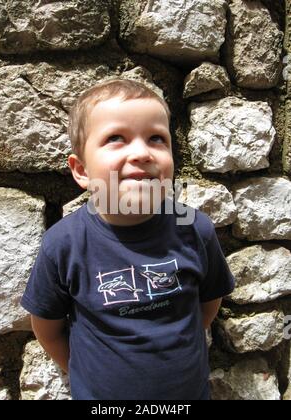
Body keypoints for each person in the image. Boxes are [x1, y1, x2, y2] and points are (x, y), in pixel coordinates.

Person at [21, 78, 235, 400]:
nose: (142, 152)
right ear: (80, 170)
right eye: (116, 138)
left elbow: (207, 305)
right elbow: (48, 330)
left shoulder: (195, 230)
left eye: (157, 138)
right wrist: (82, 374)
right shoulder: (63, 245)